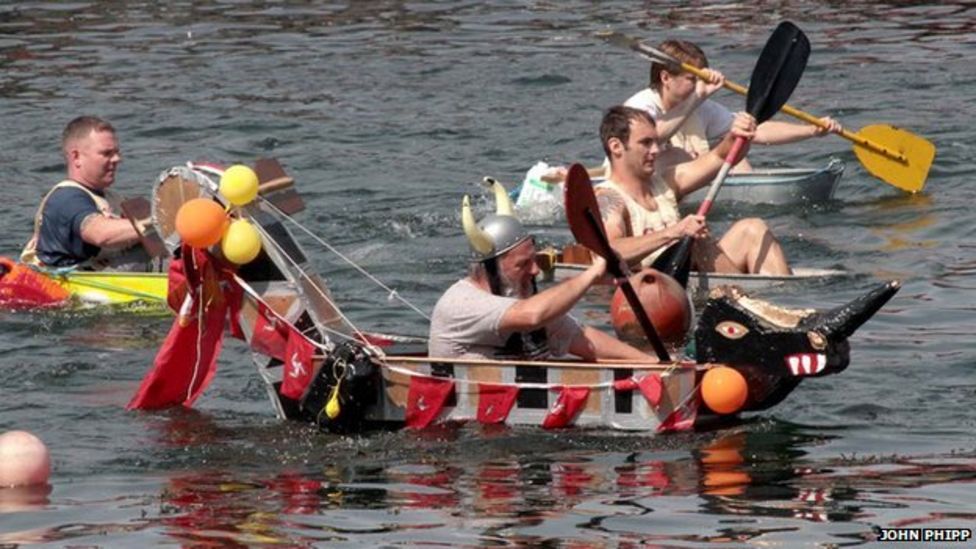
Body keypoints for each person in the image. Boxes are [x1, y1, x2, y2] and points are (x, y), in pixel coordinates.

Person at [428, 185, 656, 362]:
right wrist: (591, 275)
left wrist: (650, 362)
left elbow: (582, 338)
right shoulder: (461, 304)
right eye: (523, 264)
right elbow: (532, 315)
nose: (536, 270)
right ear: (490, 269)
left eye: (535, 260)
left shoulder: (520, 300)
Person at [597, 105, 790, 276]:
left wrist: (737, 134)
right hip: (654, 287)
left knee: (753, 228)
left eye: (656, 142)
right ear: (616, 147)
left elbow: (722, 156)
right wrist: (674, 232)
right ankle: (756, 297)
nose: (656, 150)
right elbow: (609, 251)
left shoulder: (668, 181)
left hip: (688, 271)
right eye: (646, 143)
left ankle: (781, 295)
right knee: (695, 241)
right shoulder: (609, 197)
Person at [624, 39, 841, 172]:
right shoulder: (640, 106)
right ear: (665, 78)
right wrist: (696, 98)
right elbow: (653, 136)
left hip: (685, 180)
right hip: (644, 181)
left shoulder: (700, 108)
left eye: (701, 80)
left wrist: (811, 130)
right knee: (678, 156)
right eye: (693, 79)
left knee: (735, 154)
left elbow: (756, 131)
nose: (699, 87)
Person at [20, 116, 150, 271]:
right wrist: (162, 223)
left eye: (117, 152)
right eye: (107, 153)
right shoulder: (66, 199)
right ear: (76, 157)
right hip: (68, 287)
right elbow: (101, 234)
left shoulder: (112, 198)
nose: (117, 159)